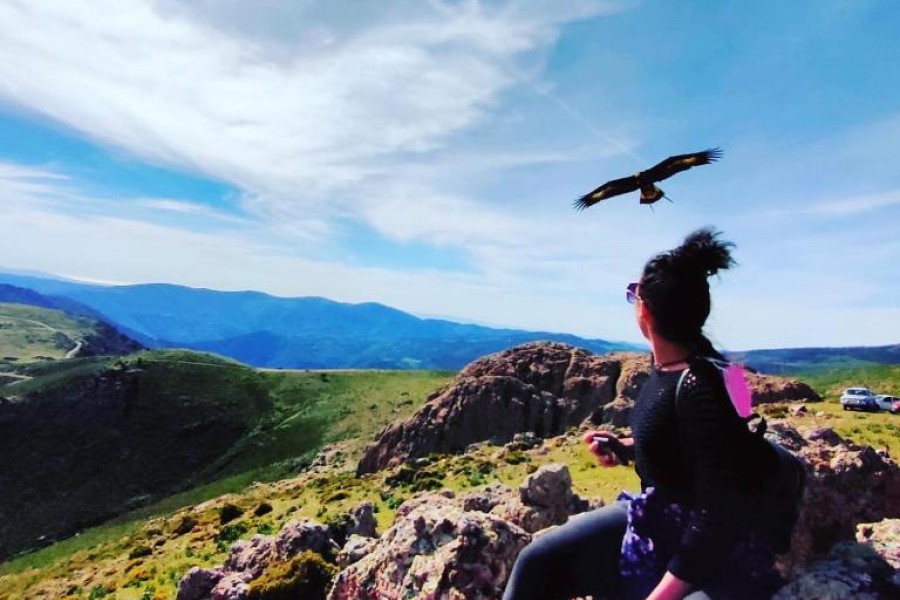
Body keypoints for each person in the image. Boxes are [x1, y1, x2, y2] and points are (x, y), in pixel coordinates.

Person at [502, 228, 785, 600]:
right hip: (659, 519)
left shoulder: (700, 385)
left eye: (633, 292)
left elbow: (717, 514)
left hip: (716, 551)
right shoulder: (676, 370)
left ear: (645, 309)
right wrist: (626, 448)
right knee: (536, 562)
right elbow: (689, 446)